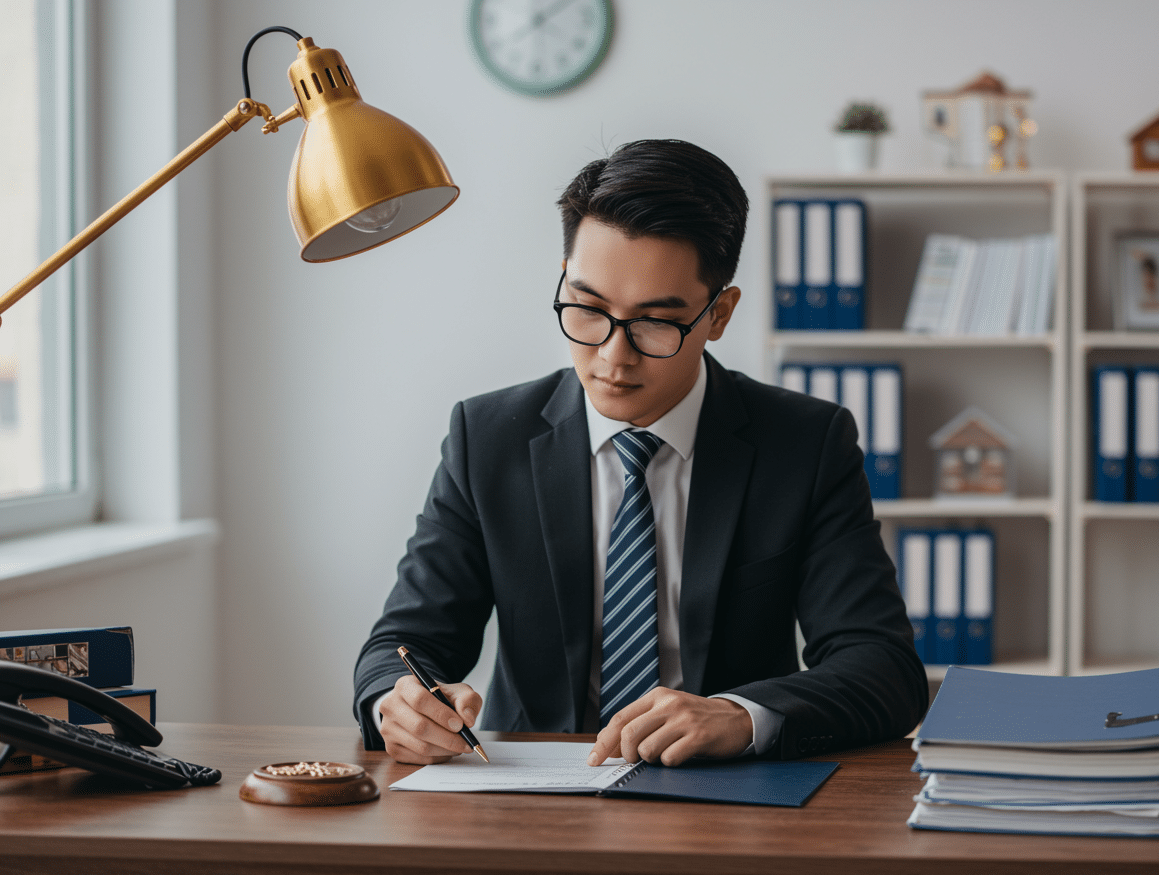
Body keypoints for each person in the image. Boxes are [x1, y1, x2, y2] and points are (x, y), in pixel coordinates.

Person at [353, 138, 927, 768]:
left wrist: (742, 715)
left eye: (655, 321)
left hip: (729, 795)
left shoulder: (804, 444)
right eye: (588, 308)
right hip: (526, 798)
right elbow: (404, 642)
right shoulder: (488, 437)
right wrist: (396, 703)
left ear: (719, 314)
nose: (612, 356)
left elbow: (883, 667)